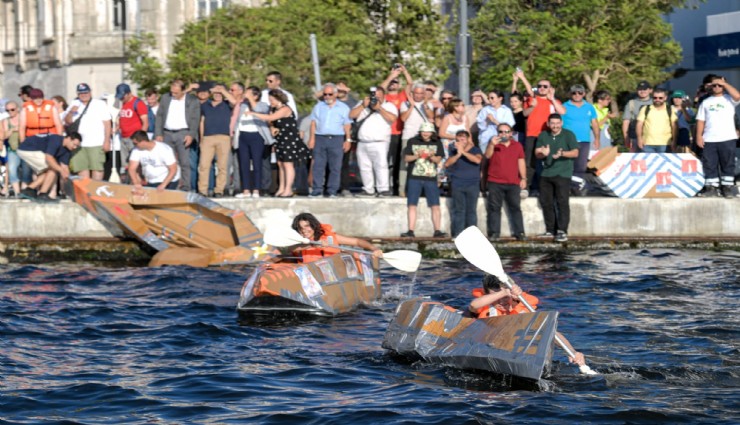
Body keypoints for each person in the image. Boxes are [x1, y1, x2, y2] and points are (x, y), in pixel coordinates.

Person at [469, 274, 586, 366]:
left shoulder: (522, 305)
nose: (501, 302)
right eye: (496, 297)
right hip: (487, 345)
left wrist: (573, 352)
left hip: (512, 348)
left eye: (505, 298)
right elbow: (473, 306)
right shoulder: (483, 305)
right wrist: (503, 293)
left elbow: (549, 331)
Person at [248, 89, 308, 197]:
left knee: (288, 164)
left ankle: (288, 189)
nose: (271, 102)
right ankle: (281, 188)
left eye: (272, 100)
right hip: (280, 139)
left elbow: (270, 118)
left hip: (289, 139)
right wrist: (272, 128)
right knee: (280, 163)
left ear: (278, 99)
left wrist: (253, 113)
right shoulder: (274, 109)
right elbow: (271, 122)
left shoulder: (285, 109)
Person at [535, 114, 579, 242]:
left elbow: (575, 152)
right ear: (548, 124)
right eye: (552, 123)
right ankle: (550, 230)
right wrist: (542, 153)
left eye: (557, 123)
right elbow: (537, 153)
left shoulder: (568, 134)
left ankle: (562, 230)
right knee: (546, 202)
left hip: (563, 174)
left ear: (561, 123)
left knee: (562, 202)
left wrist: (562, 154)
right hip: (545, 173)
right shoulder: (543, 135)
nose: (555, 126)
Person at [401, 121, 448, 238]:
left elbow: (438, 160)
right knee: (412, 204)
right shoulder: (412, 141)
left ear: (432, 132)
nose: (425, 134)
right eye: (423, 131)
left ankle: (437, 230)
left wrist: (430, 155)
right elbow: (406, 158)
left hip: (431, 177)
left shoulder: (437, 142)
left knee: (435, 205)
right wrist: (418, 155)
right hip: (414, 177)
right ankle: (410, 230)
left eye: (427, 131)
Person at [695, 75, 740, 198]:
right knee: (710, 164)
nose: (716, 87)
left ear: (723, 86)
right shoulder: (706, 102)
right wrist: (699, 136)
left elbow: (738, 96)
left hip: (727, 137)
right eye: (714, 85)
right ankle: (712, 188)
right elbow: (700, 120)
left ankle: (727, 187)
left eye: (719, 85)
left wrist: (724, 83)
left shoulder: (729, 99)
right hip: (709, 138)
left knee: (728, 163)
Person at [349, 85, 398, 197]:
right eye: (374, 97)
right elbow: (351, 115)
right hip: (363, 142)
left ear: (383, 96)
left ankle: (383, 189)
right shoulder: (363, 104)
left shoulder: (389, 106)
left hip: (380, 142)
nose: (376, 99)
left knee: (381, 166)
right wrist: (363, 105)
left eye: (378, 97)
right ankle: (368, 189)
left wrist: (379, 108)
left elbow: (393, 119)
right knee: (364, 167)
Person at [153, 78, 201, 191]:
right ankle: (169, 185)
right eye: (172, 91)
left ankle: (185, 186)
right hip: (167, 133)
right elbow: (159, 116)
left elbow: (195, 119)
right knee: (167, 161)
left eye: (176, 92)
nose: (173, 94)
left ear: (183, 91)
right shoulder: (166, 98)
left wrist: (191, 134)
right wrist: (158, 133)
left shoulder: (192, 100)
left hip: (183, 133)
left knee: (184, 162)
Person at [523, 75, 566, 196]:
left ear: (550, 88)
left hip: (547, 135)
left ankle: (545, 188)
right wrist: (532, 106)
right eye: (539, 86)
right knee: (529, 162)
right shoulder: (532, 99)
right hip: (532, 134)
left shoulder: (554, 101)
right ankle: (527, 187)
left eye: (545, 86)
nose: (542, 88)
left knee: (547, 161)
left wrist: (552, 99)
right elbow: (525, 113)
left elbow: (562, 112)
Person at [308, 83, 352, 198]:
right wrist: (311, 138)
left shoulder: (343, 108)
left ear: (336, 94)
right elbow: (313, 123)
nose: (327, 96)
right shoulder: (319, 106)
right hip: (320, 137)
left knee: (335, 167)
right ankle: (317, 189)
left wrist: (347, 140)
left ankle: (332, 190)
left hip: (336, 138)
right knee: (318, 165)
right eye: (325, 94)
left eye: (330, 94)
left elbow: (347, 124)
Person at [485, 123, 527, 241]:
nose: (503, 134)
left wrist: (523, 178)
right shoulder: (493, 144)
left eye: (506, 131)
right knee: (494, 209)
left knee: (516, 208)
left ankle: (520, 233)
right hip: (495, 181)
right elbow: (487, 156)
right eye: (501, 131)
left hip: (513, 182)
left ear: (511, 133)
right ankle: (494, 233)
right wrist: (491, 145)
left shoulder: (517, 145)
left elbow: (521, 162)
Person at [231, 86, 274, 198]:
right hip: (243, 136)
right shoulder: (243, 105)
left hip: (256, 136)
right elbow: (237, 118)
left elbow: (260, 111)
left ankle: (256, 189)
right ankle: (246, 190)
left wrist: (250, 99)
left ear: (255, 95)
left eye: (249, 93)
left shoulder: (263, 105)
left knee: (257, 163)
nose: (246, 94)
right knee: (244, 164)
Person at [63, 83, 112, 181]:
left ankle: (95, 191)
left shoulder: (99, 104)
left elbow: (107, 123)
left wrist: (107, 141)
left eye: (86, 92)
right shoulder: (74, 104)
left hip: (96, 142)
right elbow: (67, 122)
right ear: (78, 94)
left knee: (97, 168)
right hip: (78, 144)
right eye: (81, 93)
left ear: (90, 92)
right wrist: (71, 112)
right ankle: (85, 192)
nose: (84, 95)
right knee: (81, 169)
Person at [291, 212, 382, 263]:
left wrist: (374, 248)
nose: (304, 230)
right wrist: (312, 246)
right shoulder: (297, 241)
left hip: (331, 272)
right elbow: (293, 249)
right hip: (309, 272)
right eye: (300, 228)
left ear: (313, 225)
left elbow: (357, 242)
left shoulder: (330, 237)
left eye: (307, 226)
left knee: (349, 253)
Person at [17, 131, 81, 203]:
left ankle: (28, 190)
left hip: (32, 151)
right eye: (74, 144)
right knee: (53, 168)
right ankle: (42, 195)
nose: (75, 147)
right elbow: (49, 158)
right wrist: (61, 171)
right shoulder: (56, 140)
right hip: (27, 149)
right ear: (69, 139)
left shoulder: (67, 151)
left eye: (77, 146)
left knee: (51, 170)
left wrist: (69, 178)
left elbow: (64, 167)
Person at [562, 84, 599, 195]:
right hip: (568, 140)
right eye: (574, 93)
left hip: (584, 140)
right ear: (570, 94)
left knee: (581, 166)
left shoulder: (589, 107)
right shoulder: (564, 106)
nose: (577, 95)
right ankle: (565, 188)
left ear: (584, 94)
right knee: (567, 165)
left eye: (580, 92)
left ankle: (576, 188)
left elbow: (594, 123)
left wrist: (597, 138)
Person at [399, 83, 435, 196]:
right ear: (412, 93)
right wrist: (411, 106)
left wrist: (425, 106)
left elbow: (431, 116)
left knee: (424, 162)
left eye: (421, 93)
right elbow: (403, 118)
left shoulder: (428, 104)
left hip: (423, 137)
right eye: (416, 93)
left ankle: (422, 190)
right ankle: (402, 189)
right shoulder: (404, 104)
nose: (419, 95)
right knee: (405, 162)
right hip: (408, 135)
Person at [381, 65, 412, 197]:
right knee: (387, 161)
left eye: (396, 82)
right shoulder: (384, 97)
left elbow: (410, 83)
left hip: (401, 132)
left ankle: (397, 186)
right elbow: (380, 88)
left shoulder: (402, 95)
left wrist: (404, 71)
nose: (393, 84)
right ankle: (385, 186)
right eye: (392, 83)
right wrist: (391, 76)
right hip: (388, 133)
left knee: (400, 162)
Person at [444, 130, 482, 237]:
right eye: (458, 139)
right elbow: (447, 164)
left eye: (463, 138)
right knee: (459, 210)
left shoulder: (475, 149)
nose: (460, 141)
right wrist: (458, 154)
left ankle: (473, 236)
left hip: (473, 184)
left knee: (471, 210)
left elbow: (477, 160)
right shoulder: (453, 150)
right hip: (458, 184)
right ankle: (458, 234)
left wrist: (463, 152)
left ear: (468, 139)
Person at [198, 84, 233, 198]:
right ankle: (202, 190)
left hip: (224, 137)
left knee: (222, 166)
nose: (218, 95)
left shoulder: (228, 104)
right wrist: (202, 138)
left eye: (220, 93)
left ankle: (219, 190)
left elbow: (235, 102)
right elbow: (202, 122)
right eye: (216, 92)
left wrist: (223, 90)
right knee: (204, 165)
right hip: (208, 138)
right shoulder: (205, 105)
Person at [115, 83, 149, 172]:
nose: (121, 99)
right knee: (126, 164)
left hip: (134, 139)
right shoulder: (123, 103)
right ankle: (128, 181)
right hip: (123, 138)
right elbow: (124, 119)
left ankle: (139, 181)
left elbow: (145, 123)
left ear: (129, 93)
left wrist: (140, 139)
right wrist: (118, 126)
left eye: (123, 96)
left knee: (136, 163)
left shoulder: (138, 103)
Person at [635, 87, 678, 153]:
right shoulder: (645, 109)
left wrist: (674, 141)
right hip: (647, 144)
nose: (657, 99)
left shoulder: (670, 109)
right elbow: (639, 124)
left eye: (660, 98)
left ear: (665, 98)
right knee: (648, 163)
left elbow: (674, 126)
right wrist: (639, 138)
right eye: (655, 98)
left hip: (665, 144)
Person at [622, 81, 653, 153]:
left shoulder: (655, 102)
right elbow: (626, 121)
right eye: (640, 89)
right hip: (634, 137)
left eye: (645, 89)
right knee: (635, 160)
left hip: (652, 137)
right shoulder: (631, 103)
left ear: (650, 90)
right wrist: (626, 137)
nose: (642, 91)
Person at [1, 101, 21, 197]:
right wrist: (13, 129)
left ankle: (28, 191)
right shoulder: (6, 121)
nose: (10, 112)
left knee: (27, 171)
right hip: (13, 150)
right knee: (12, 170)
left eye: (12, 109)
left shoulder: (23, 118)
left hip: (26, 149)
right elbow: (4, 135)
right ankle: (18, 193)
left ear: (17, 108)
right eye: (7, 110)